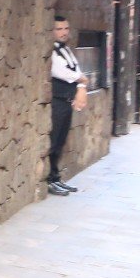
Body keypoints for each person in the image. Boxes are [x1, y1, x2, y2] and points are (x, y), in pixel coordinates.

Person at [47, 15, 87, 196]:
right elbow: (63, 73)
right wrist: (82, 82)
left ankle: (55, 177)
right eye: (59, 29)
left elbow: (78, 72)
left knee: (61, 141)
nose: (63, 32)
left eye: (66, 28)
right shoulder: (53, 53)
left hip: (66, 102)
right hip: (57, 102)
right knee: (54, 140)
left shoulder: (67, 50)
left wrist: (81, 86)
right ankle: (50, 179)